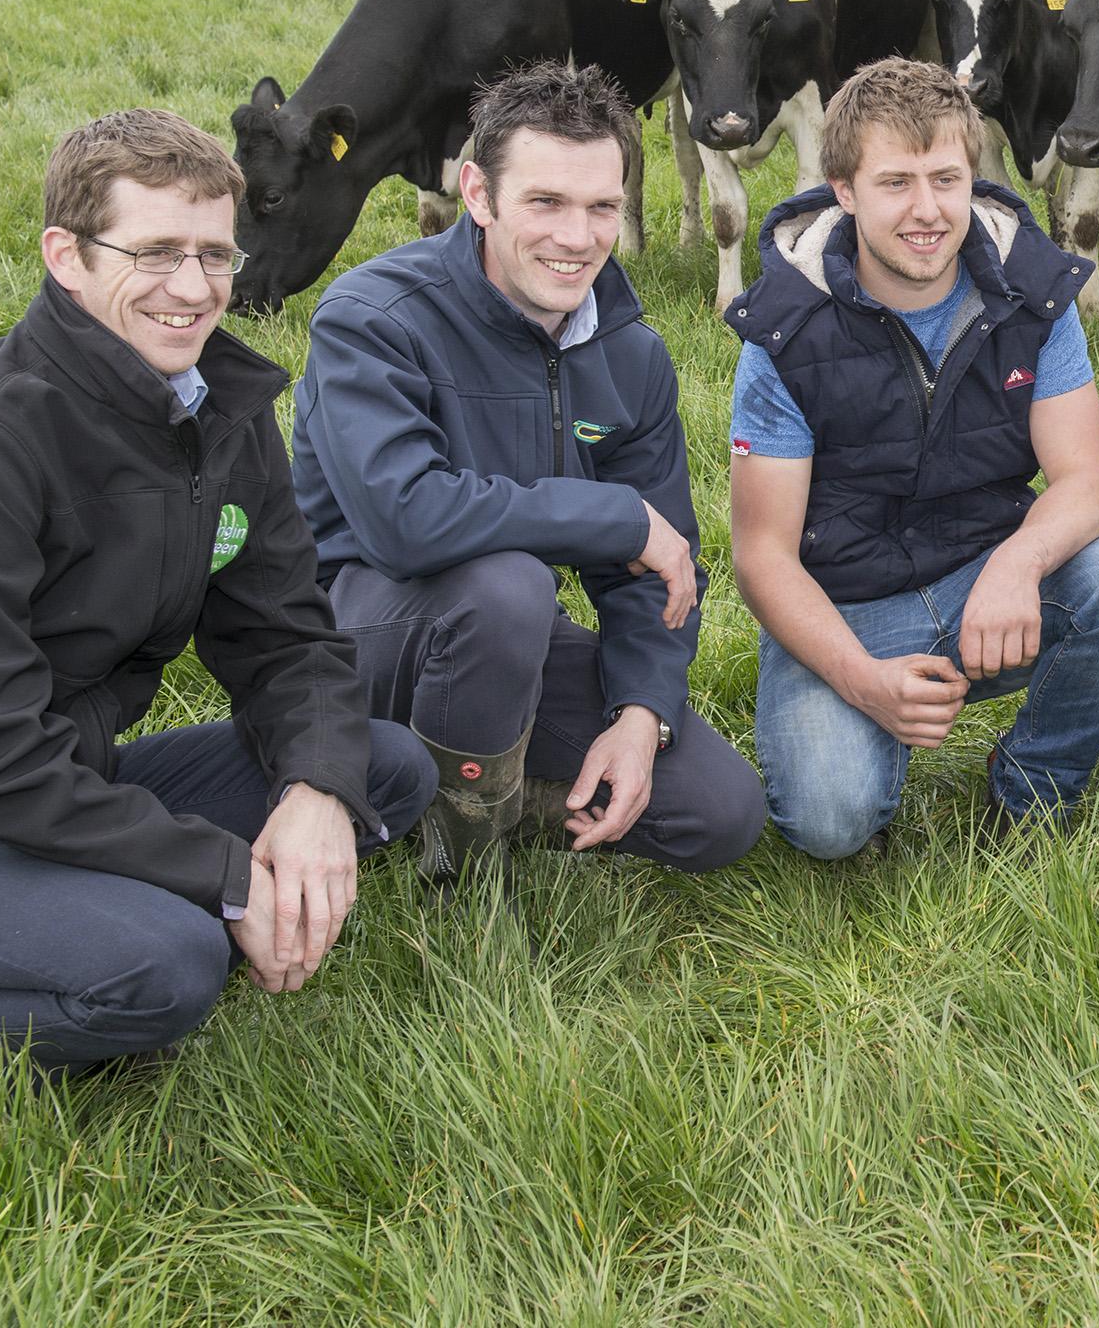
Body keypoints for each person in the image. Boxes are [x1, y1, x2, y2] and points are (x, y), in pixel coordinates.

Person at [0, 110, 435, 1180]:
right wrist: (225, 876)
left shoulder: (223, 410)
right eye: (154, 253)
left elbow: (288, 634)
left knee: (379, 766)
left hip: (57, 776)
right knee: (168, 965)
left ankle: (67, 941)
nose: (194, 287)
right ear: (65, 256)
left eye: (214, 253)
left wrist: (313, 790)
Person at [295, 60, 764, 885]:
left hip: (499, 641)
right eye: (545, 202)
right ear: (478, 193)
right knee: (510, 587)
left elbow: (656, 575)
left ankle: (484, 791)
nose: (577, 239)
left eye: (602, 207)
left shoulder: (630, 351)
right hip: (351, 637)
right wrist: (611, 518)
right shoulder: (371, 319)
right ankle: (460, 868)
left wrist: (640, 715)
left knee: (718, 813)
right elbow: (405, 520)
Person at [725, 57, 1099, 856]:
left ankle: (1034, 782)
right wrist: (865, 682)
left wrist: (1017, 566)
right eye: (895, 183)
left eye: (946, 179)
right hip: (849, 607)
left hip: (986, 577)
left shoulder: (1032, 294)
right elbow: (762, 557)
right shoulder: (783, 328)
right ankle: (873, 733)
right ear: (844, 190)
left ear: (974, 176)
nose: (927, 210)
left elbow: (1086, 482)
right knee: (828, 823)